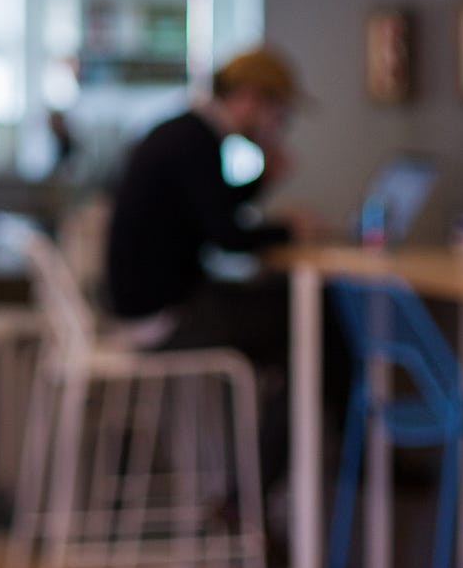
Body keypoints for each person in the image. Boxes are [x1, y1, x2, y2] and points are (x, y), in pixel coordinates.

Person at [103, 45, 336, 489]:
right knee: (316, 332)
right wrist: (290, 229)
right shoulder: (195, 141)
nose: (279, 126)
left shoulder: (185, 133)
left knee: (302, 333)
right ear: (250, 97)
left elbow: (212, 210)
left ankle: (256, 490)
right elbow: (227, 235)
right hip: (163, 316)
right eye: (279, 114)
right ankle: (256, 491)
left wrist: (265, 181)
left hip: (146, 307)